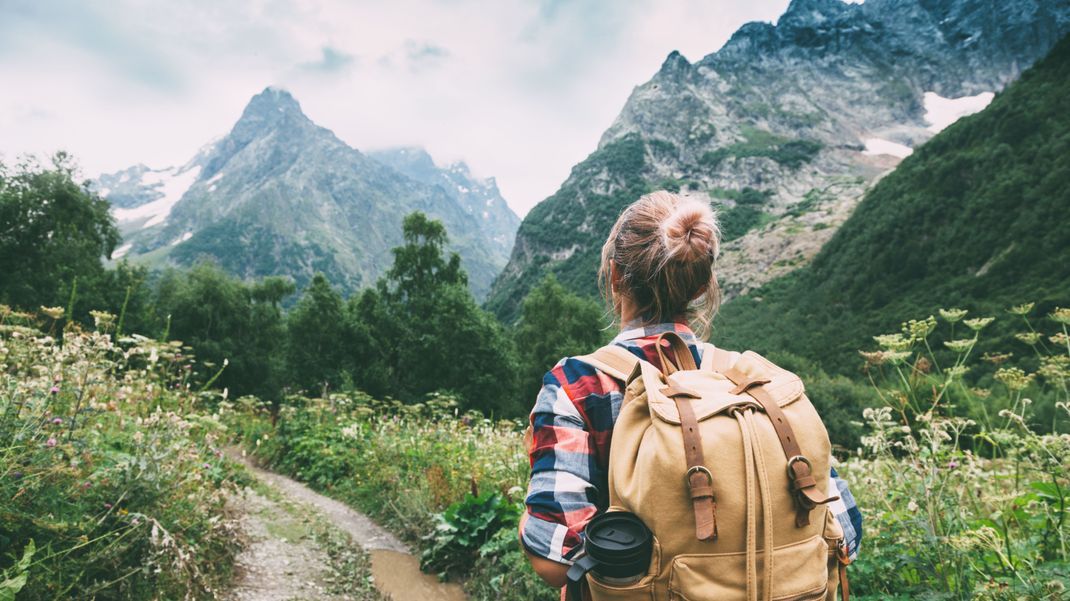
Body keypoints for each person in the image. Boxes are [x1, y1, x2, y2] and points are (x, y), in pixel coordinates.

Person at [519, 190, 862, 592]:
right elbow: (846, 533)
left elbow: (554, 559)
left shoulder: (578, 385)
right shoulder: (751, 381)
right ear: (701, 286)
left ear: (614, 276)